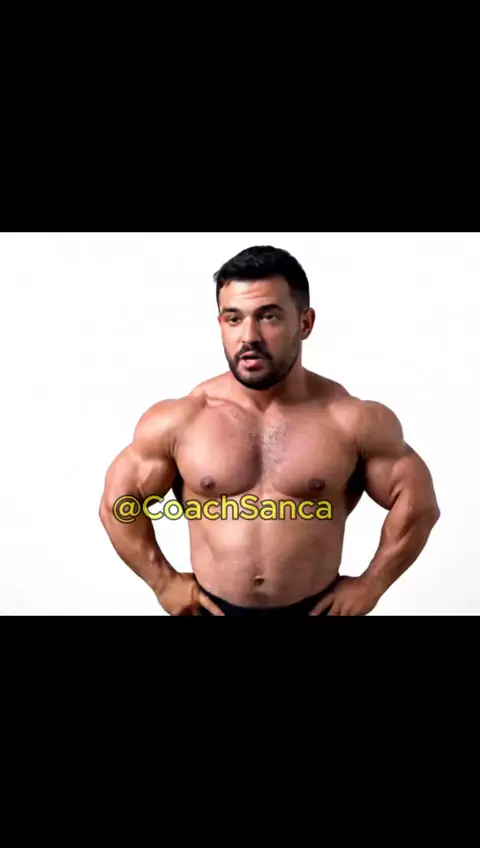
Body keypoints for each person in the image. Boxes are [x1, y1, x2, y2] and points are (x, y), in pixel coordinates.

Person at [99, 245, 440, 616]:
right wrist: (163, 581)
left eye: (269, 317)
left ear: (305, 323)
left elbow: (418, 504)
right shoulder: (180, 420)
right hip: (211, 610)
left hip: (318, 610)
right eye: (233, 319)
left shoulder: (350, 420)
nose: (249, 336)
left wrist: (373, 583)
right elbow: (118, 502)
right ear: (220, 324)